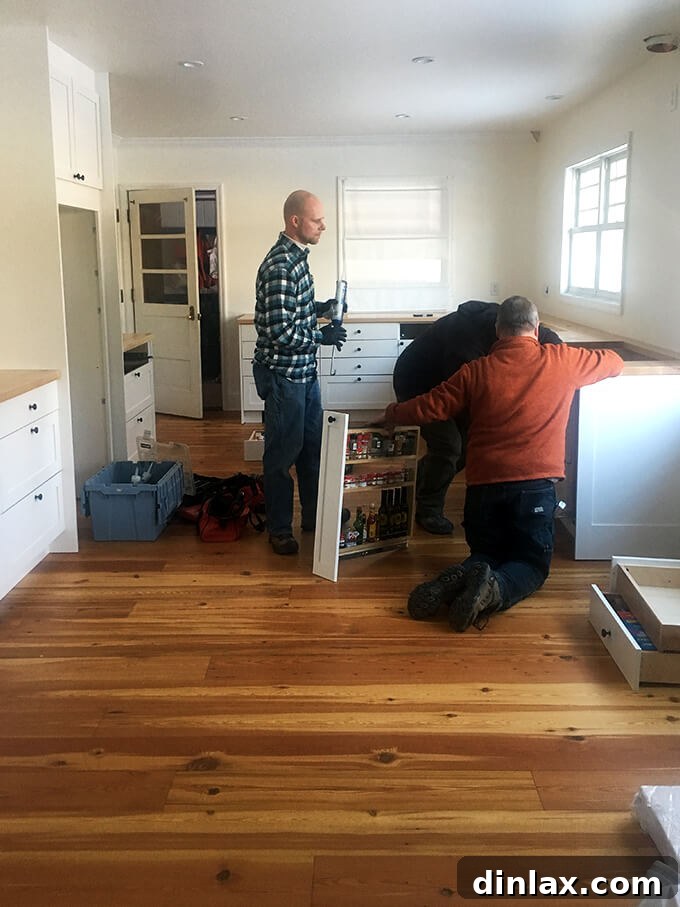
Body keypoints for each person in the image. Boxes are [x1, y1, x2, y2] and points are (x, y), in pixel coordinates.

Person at [381, 296, 624, 631]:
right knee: (531, 564)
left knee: (487, 554)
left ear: (498, 330)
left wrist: (392, 414)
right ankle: (494, 590)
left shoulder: (475, 370)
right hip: (534, 491)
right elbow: (614, 361)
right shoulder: (564, 361)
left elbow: (430, 406)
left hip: (483, 491)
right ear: (537, 328)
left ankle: (466, 576)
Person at [393, 300, 562, 535]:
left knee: (461, 449)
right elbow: (453, 399)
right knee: (450, 446)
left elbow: (554, 345)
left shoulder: (516, 323)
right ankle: (428, 508)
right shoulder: (465, 344)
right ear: (497, 329)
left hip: (444, 383)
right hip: (417, 382)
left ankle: (421, 483)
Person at [253, 190, 347, 555]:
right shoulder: (280, 266)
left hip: (305, 377)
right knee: (281, 457)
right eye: (316, 219)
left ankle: (313, 517)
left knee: (312, 451)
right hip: (285, 379)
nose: (323, 225)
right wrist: (321, 336)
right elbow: (280, 332)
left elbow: (296, 312)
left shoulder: (297, 261)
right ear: (295, 221)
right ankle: (279, 529)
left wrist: (324, 307)